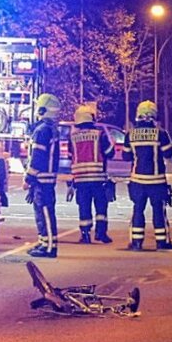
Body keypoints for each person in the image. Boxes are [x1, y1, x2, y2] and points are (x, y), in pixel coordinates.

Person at [123, 100, 172, 251]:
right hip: (157, 180)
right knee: (159, 211)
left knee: (138, 210)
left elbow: (126, 157)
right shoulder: (161, 134)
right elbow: (169, 153)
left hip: (137, 180)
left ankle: (136, 242)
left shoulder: (130, 135)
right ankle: (161, 242)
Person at [67, 104, 115, 243]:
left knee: (84, 206)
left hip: (80, 179)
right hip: (98, 178)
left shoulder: (73, 137)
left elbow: (72, 155)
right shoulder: (100, 134)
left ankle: (85, 234)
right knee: (101, 206)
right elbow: (109, 153)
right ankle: (101, 233)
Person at [24, 93, 62, 258]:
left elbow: (37, 157)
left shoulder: (42, 130)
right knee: (41, 212)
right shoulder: (49, 129)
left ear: (42, 109)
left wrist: (29, 178)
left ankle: (49, 247)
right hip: (45, 178)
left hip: (42, 178)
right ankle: (43, 243)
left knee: (45, 212)